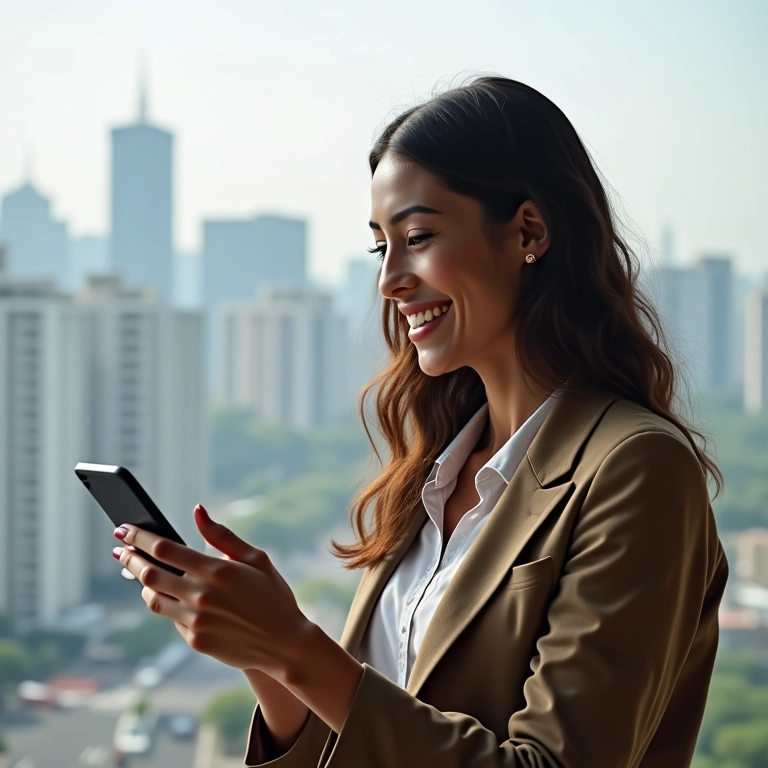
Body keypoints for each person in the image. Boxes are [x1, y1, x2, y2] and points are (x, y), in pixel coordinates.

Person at [111, 76, 729, 767]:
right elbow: (365, 734)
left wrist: (294, 645)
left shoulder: (636, 467)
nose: (389, 279)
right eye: (382, 247)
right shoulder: (432, 474)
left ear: (528, 230)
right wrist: (266, 657)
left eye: (419, 236)